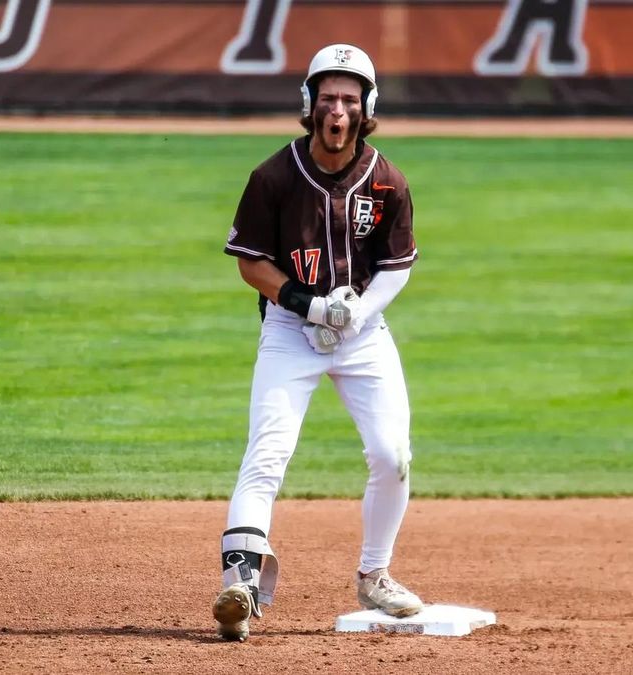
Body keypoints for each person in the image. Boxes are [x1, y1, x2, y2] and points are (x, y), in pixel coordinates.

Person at [212, 43, 422, 642]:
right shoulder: (273, 177)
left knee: (392, 455)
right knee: (267, 454)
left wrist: (358, 309)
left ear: (366, 108)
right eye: (327, 97)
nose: (337, 111)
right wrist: (310, 304)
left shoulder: (386, 181)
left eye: (349, 100)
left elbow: (398, 265)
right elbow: (252, 265)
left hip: (363, 335)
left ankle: (375, 574)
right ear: (308, 104)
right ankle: (241, 585)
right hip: (289, 331)